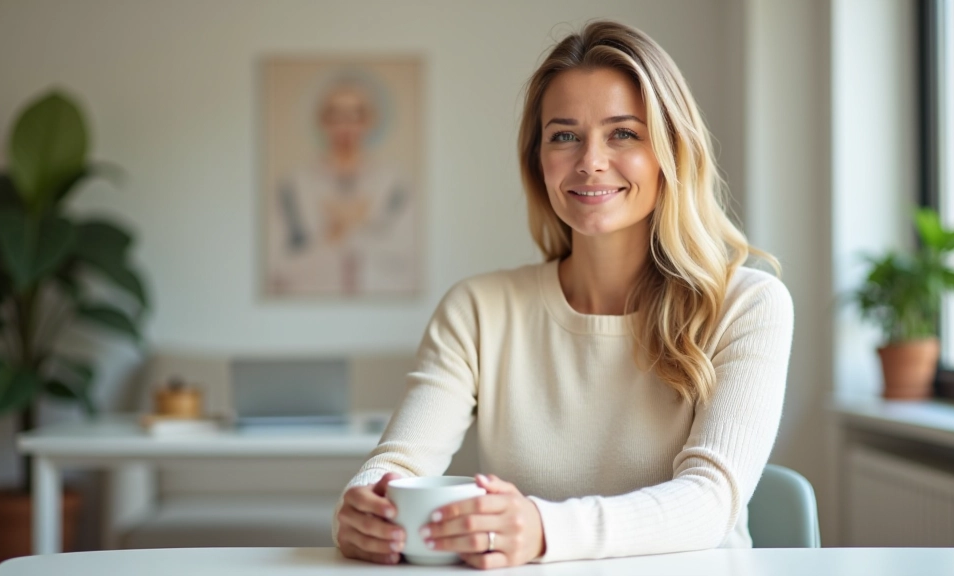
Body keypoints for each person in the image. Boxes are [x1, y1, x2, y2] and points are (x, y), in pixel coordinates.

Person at [333, 20, 794, 569]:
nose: (590, 161)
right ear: (539, 161)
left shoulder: (748, 305)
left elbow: (709, 503)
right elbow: (401, 463)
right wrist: (363, 507)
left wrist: (543, 529)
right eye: (565, 136)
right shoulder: (478, 310)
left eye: (623, 133)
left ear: (672, 151)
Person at [267, 73, 416, 296]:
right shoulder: (292, 186)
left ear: (370, 121)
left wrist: (358, 229)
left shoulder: (396, 185)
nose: (345, 126)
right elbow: (277, 267)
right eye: (335, 116)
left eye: (356, 115)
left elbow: (409, 259)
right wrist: (332, 236)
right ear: (322, 120)